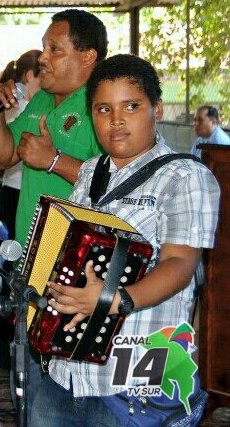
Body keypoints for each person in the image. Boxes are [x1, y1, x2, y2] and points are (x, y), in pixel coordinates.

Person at [30, 54, 220, 426]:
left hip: (133, 380)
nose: (116, 120)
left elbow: (180, 264)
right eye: (103, 109)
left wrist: (113, 299)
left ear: (157, 108)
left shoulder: (184, 176)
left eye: (131, 106)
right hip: (65, 373)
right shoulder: (89, 171)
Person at [0, 8, 108, 413]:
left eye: (55, 49)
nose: (43, 57)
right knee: (33, 381)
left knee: (71, 389)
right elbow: (3, 156)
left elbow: (115, 182)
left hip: (77, 268)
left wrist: (54, 160)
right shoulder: (39, 99)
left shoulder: (102, 104)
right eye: (44, 47)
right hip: (31, 260)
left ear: (87, 57)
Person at [0, 50, 42, 239]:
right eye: (43, 75)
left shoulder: (31, 106)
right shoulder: (18, 108)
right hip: (17, 191)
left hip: (16, 189)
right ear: (30, 75)